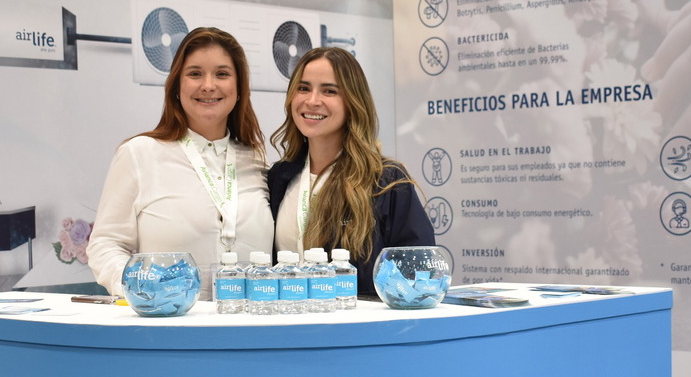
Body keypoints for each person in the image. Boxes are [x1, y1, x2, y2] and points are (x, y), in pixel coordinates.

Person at [87, 27, 273, 297]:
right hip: (171, 320)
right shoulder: (139, 154)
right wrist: (140, 290)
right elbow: (105, 244)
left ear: (239, 88)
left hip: (250, 319)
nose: (208, 85)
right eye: (195, 73)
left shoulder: (255, 158)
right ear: (177, 86)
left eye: (222, 74)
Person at [268, 46, 434, 295]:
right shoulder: (279, 178)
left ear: (353, 102)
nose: (312, 101)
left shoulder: (385, 181)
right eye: (303, 88)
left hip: (358, 319)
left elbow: (420, 275)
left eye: (329, 91)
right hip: (289, 315)